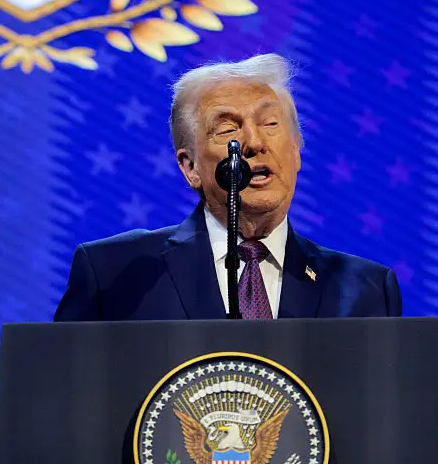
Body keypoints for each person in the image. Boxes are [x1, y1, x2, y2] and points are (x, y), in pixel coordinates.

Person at [55, 54, 401, 321]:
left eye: (270, 123)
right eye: (226, 129)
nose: (253, 142)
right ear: (190, 167)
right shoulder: (117, 275)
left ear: (296, 149)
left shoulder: (364, 290)